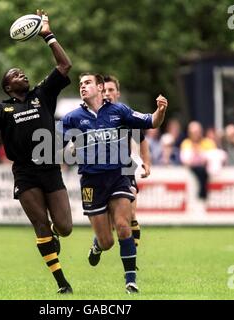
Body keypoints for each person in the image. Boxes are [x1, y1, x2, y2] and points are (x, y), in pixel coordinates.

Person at [0, 10, 74, 294]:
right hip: (24, 173)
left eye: (21, 72)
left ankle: (53, 234)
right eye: (15, 75)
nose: (21, 74)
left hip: (49, 167)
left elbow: (64, 65)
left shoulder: (42, 94)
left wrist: (47, 34)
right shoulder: (3, 109)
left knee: (65, 226)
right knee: (40, 226)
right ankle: (62, 284)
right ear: (8, 87)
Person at [62, 73, 168, 294]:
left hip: (118, 176)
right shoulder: (72, 118)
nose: (82, 87)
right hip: (91, 182)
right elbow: (53, 143)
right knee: (107, 241)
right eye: (80, 84)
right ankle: (97, 245)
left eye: (87, 83)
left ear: (100, 87)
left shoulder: (119, 111)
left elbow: (151, 122)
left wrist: (161, 110)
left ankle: (131, 281)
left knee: (123, 225)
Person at [103, 75, 150, 248]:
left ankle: (131, 260)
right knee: (109, 224)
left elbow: (141, 139)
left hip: (125, 168)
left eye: (111, 90)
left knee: (130, 214)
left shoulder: (125, 114)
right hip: (99, 171)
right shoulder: (93, 116)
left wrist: (146, 162)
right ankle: (98, 244)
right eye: (104, 90)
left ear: (117, 93)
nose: (107, 94)